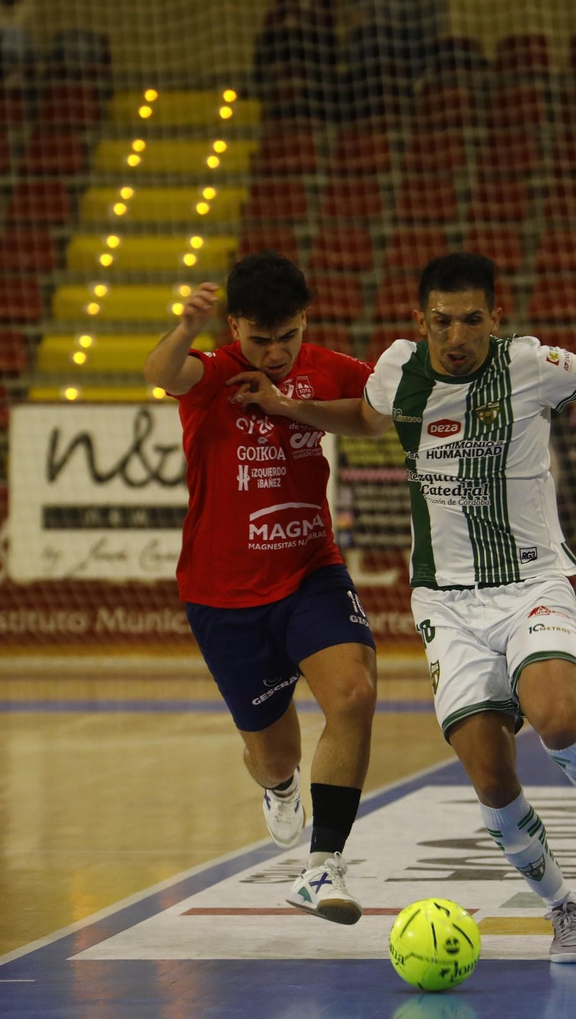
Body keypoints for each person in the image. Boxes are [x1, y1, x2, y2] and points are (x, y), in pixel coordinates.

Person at [229, 253, 576, 962]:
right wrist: (289, 407)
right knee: (492, 777)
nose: (456, 336)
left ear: (496, 318)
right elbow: (368, 421)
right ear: (420, 320)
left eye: (472, 320)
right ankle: (564, 907)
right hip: (447, 604)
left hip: (531, 583)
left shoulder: (534, 366)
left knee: (555, 716)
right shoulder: (398, 369)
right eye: (442, 321)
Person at [143, 250, 381, 925]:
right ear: (235, 327)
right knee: (275, 757)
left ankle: (323, 866)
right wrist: (185, 328)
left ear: (305, 320)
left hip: (310, 571)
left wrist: (293, 406)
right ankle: (279, 786)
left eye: (288, 336)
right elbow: (161, 373)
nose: (275, 353)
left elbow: (381, 414)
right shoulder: (215, 373)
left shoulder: (328, 369)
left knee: (355, 692)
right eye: (260, 339)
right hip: (223, 595)